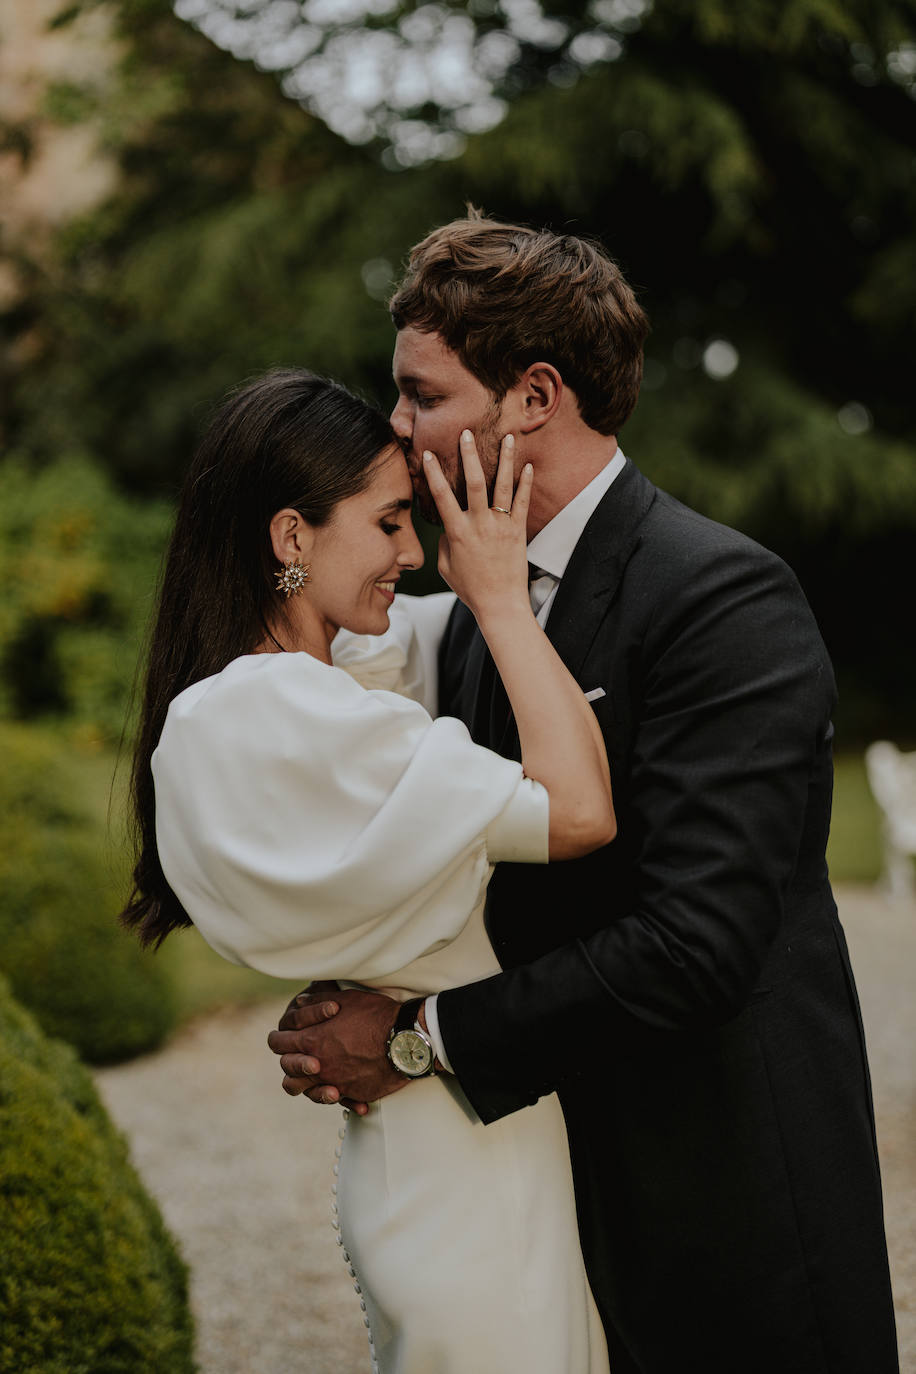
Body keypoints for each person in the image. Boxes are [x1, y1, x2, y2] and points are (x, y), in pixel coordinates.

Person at [270, 213, 900, 1373]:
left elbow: (697, 944)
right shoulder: (467, 615)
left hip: (727, 1205)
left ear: (533, 398)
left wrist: (416, 1038)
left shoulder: (723, 598)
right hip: (549, 1194)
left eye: (420, 397)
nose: (395, 433)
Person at [119, 368, 616, 1374]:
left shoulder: (244, 709)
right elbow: (578, 812)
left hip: (416, 1146)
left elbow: (400, 647)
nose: (411, 553)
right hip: (474, 1159)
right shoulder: (298, 716)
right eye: (390, 522)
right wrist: (506, 602)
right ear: (290, 537)